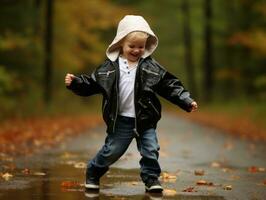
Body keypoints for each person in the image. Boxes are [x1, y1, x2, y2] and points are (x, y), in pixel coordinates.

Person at [65, 15, 198, 193]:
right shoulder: (109, 68)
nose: (136, 50)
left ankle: (151, 180)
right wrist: (76, 83)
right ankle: (93, 171)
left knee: (150, 150)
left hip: (145, 119)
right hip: (120, 120)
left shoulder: (151, 67)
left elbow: (169, 85)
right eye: (132, 46)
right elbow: (92, 84)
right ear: (121, 43)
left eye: (141, 47)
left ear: (147, 46)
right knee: (112, 151)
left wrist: (186, 100)